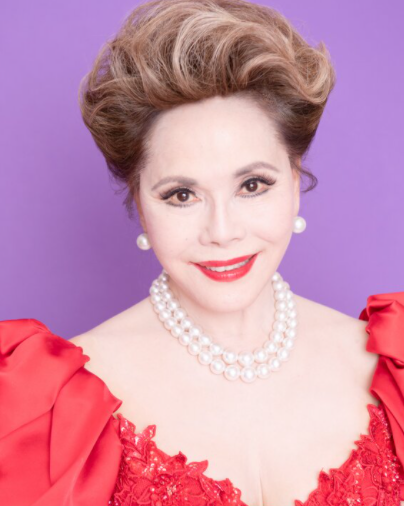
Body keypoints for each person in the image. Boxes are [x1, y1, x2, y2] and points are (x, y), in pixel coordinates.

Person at [0, 0, 403, 505]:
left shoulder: (396, 366)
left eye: (253, 185)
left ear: (295, 181)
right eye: (181, 195)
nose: (222, 231)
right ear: (140, 205)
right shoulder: (44, 404)